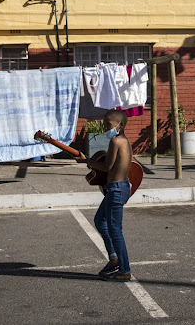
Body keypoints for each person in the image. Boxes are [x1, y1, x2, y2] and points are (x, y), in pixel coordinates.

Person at [77, 109, 133, 281]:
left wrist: (87, 161)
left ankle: (124, 270)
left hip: (117, 189)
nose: (104, 128)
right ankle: (114, 257)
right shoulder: (125, 141)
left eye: (108, 125)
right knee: (100, 221)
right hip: (117, 188)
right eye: (104, 125)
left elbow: (107, 167)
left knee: (115, 230)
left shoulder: (116, 141)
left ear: (120, 125)